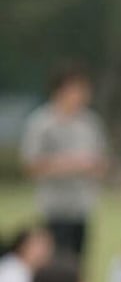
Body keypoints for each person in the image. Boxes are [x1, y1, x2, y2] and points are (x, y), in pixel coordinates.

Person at [20, 61, 107, 262]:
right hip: (54, 209)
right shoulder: (42, 123)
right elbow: (30, 165)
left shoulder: (90, 123)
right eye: (76, 89)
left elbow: (101, 162)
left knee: (77, 263)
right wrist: (71, 164)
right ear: (61, 90)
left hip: (82, 207)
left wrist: (94, 167)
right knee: (54, 264)